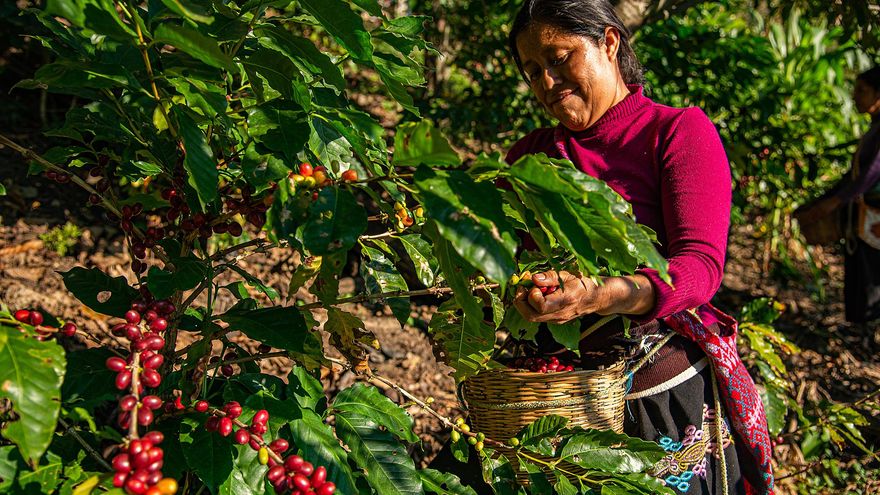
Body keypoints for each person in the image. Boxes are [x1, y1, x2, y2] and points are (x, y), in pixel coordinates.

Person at [501, 1, 775, 494]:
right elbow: (499, 260)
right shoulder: (529, 157)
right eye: (533, 71)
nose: (546, 81)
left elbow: (699, 266)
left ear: (608, 42)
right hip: (550, 402)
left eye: (559, 58)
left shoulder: (675, 132)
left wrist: (598, 295)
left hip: (657, 406)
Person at [799, 66, 880, 326]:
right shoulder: (875, 128)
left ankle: (866, 329)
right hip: (865, 217)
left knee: (870, 276)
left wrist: (834, 202)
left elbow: (871, 174)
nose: (855, 96)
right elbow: (855, 175)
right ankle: (861, 327)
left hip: (874, 219)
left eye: (862, 91)